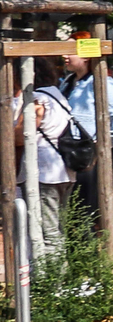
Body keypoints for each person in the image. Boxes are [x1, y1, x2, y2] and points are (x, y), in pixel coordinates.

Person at [8, 57, 75, 257]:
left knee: (48, 233)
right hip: (62, 171)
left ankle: (50, 284)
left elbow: (19, 136)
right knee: (56, 230)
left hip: (44, 173)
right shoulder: (57, 95)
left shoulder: (37, 99)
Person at [58, 50, 113, 223]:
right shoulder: (69, 82)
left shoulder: (99, 82)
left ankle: (88, 250)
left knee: (84, 216)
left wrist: (101, 144)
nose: (64, 55)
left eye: (70, 51)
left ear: (86, 55)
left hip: (85, 158)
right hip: (67, 154)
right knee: (68, 214)